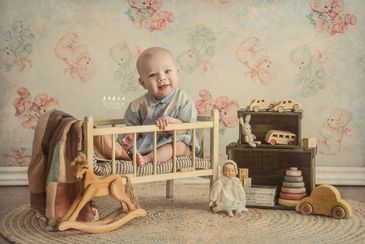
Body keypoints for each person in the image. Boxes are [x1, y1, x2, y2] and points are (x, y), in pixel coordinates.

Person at [120, 47, 198, 165]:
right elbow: (132, 126)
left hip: (176, 142)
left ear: (177, 72)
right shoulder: (138, 105)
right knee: (125, 147)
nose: (162, 78)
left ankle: (148, 159)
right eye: (152, 75)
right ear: (142, 83)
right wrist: (131, 137)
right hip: (149, 144)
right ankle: (119, 153)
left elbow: (186, 128)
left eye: (167, 71)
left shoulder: (183, 100)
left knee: (179, 146)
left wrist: (171, 122)